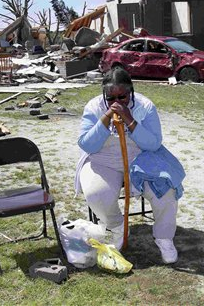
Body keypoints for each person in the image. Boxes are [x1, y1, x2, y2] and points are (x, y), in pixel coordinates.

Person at [74, 68, 185, 264]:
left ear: (131, 92)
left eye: (122, 97)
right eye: (110, 98)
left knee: (166, 192)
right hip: (103, 159)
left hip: (142, 159)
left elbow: (153, 143)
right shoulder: (94, 107)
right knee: (96, 194)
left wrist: (130, 120)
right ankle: (117, 227)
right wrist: (107, 116)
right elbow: (86, 144)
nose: (116, 102)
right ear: (104, 95)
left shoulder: (145, 106)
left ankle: (164, 237)